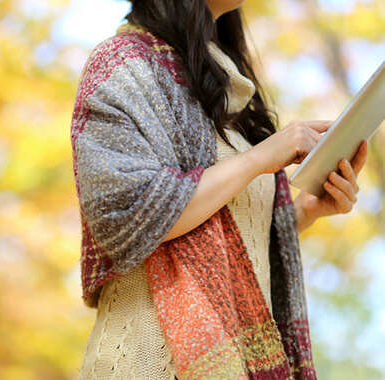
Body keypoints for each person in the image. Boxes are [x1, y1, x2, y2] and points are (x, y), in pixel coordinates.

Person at [69, 0, 368, 379]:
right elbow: (128, 211)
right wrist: (261, 157)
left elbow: (229, 234)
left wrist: (304, 211)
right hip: (146, 360)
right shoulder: (122, 64)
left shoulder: (229, 85)